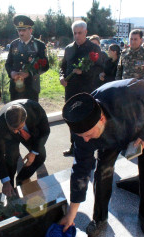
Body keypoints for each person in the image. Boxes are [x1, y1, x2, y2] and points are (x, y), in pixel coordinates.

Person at [59, 80, 144, 237]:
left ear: (101, 119)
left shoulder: (128, 93)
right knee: (103, 170)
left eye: (88, 135)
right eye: (81, 136)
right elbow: (80, 171)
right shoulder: (82, 132)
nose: (85, 140)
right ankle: (100, 218)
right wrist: (72, 212)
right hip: (110, 136)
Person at [59, 20, 103, 157]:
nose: (77, 36)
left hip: (87, 90)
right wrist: (61, 77)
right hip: (71, 90)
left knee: (87, 120)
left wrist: (83, 72)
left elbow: (99, 68)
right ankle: (74, 146)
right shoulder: (69, 48)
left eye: (80, 33)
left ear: (86, 32)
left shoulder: (93, 48)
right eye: (75, 33)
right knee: (72, 119)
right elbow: (63, 67)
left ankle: (89, 148)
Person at [0, 100, 50, 197]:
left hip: (30, 133)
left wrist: (33, 152)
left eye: (19, 128)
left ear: (25, 120)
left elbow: (45, 131)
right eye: (13, 128)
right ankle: (10, 187)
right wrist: (5, 181)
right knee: (11, 158)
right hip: (9, 137)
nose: (16, 132)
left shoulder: (35, 110)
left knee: (40, 156)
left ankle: (22, 178)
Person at [5, 15, 49, 102]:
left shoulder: (39, 45)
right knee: (15, 113)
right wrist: (11, 72)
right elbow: (8, 63)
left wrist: (29, 73)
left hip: (31, 88)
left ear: (30, 30)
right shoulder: (14, 44)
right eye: (19, 30)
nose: (21, 33)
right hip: (15, 88)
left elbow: (45, 66)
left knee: (31, 114)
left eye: (24, 30)